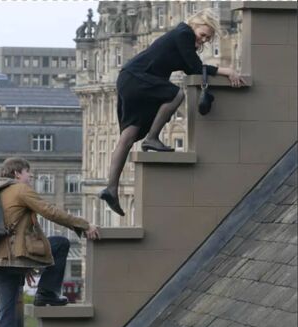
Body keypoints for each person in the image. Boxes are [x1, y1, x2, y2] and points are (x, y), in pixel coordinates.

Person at [100, 8, 246, 217]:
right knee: (176, 94)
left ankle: (111, 189)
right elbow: (196, 68)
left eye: (207, 38)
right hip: (138, 78)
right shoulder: (183, 32)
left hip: (130, 78)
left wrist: (197, 51)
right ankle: (152, 138)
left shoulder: (183, 38)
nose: (204, 40)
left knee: (129, 136)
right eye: (203, 34)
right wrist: (227, 71)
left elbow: (189, 67)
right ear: (195, 23)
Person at [0, 157, 100, 327]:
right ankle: (46, 293)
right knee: (60, 244)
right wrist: (83, 225)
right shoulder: (19, 189)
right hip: (15, 256)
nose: (31, 177)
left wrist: (25, 265)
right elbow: (50, 211)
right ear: (17, 173)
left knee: (6, 314)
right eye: (28, 173)